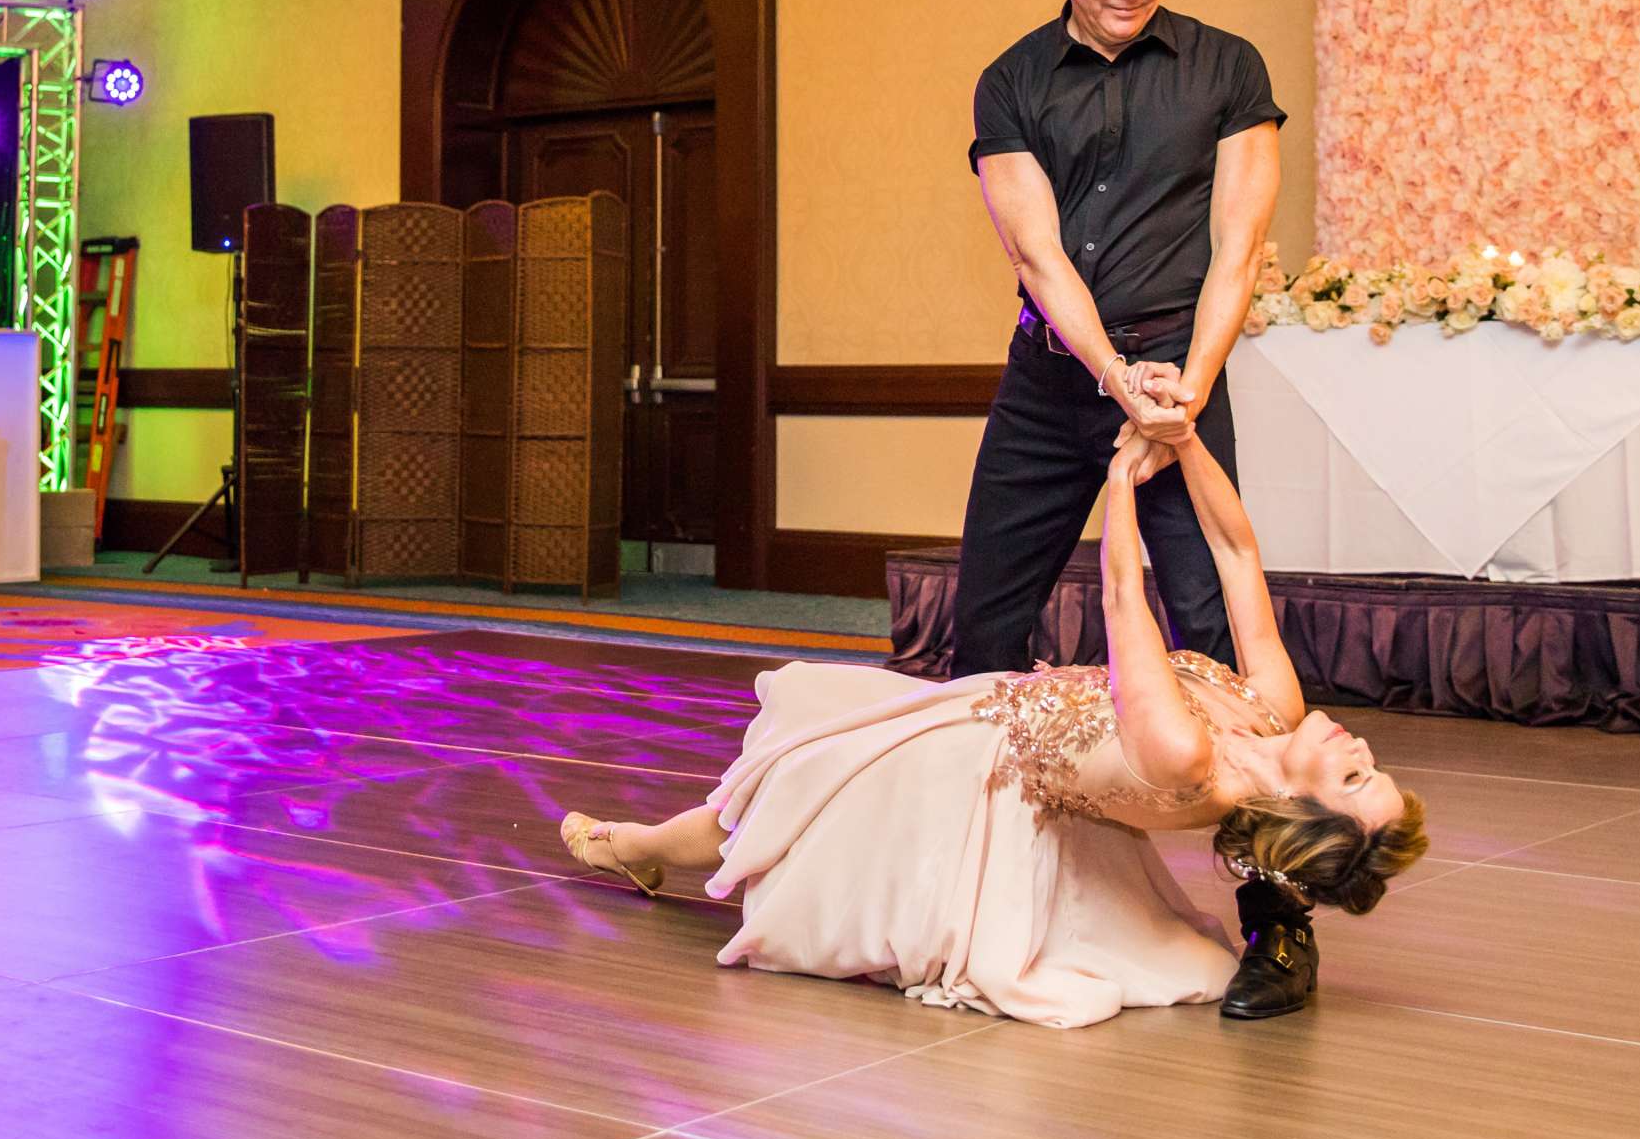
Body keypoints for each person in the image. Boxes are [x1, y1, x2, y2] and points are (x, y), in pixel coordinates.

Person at [559, 424, 1427, 1029]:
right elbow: (1238, 554)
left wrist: (1121, 479)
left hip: (977, 768)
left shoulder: (1189, 757)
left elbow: (1126, 597)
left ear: (1296, 806)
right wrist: (1187, 440)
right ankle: (644, 845)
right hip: (992, 712)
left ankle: (633, 844)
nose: (1356, 748)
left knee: (770, 808)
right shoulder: (1270, 708)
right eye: (1372, 764)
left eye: (1353, 778)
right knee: (776, 801)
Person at [949, 0, 1322, 1019]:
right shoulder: (1011, 82)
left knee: (1224, 651)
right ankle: (968, 892)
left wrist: (1185, 392)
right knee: (985, 624)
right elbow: (1037, 255)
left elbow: (1238, 249)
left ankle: (1277, 924)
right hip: (1061, 377)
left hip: (1181, 381)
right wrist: (1117, 382)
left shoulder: (1225, 69)